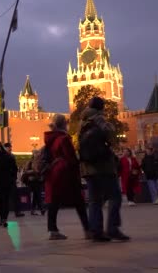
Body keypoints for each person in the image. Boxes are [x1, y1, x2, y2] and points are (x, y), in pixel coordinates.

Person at [79, 96, 130, 242]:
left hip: (87, 167)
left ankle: (96, 231)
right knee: (115, 196)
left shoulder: (82, 122)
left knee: (94, 200)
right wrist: (106, 123)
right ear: (101, 108)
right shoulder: (99, 120)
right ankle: (112, 229)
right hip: (103, 166)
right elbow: (112, 138)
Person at [43, 114, 90, 240]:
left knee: (54, 202)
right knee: (79, 201)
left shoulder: (51, 138)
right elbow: (71, 158)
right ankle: (87, 229)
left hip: (53, 172)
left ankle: (52, 230)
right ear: (64, 124)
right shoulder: (63, 138)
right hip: (65, 173)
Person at [3, 143, 25, 218]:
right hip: (4, 179)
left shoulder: (12, 156)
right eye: (8, 148)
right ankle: (3, 213)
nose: (10, 149)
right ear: (5, 148)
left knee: (15, 195)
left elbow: (14, 168)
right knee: (4, 197)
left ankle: (17, 211)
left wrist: (15, 177)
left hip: (11, 179)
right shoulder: (2, 156)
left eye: (10, 148)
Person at [21, 150, 44, 216]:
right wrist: (33, 171)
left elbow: (42, 171)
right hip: (32, 181)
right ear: (33, 154)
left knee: (36, 195)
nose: (37, 154)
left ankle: (35, 209)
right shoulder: (30, 162)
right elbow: (26, 171)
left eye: (38, 153)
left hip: (38, 180)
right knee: (36, 195)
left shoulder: (40, 162)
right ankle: (40, 208)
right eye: (35, 153)